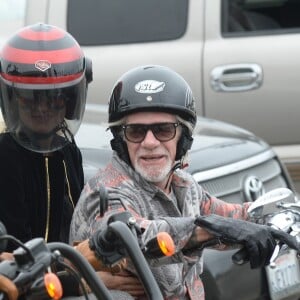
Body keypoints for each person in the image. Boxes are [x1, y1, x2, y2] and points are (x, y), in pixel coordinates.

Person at [69, 65, 299, 300]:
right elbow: (135, 237)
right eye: (136, 132)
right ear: (120, 140)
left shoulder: (184, 186)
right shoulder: (107, 193)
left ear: (183, 138)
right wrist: (209, 229)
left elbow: (233, 217)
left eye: (164, 129)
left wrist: (275, 220)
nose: (149, 142)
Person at [0, 23, 92, 251]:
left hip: (67, 267)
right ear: (12, 100)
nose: (41, 109)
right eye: (29, 98)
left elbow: (80, 222)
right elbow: (16, 243)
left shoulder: (68, 150)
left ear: (70, 102)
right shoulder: (6, 154)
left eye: (54, 98)